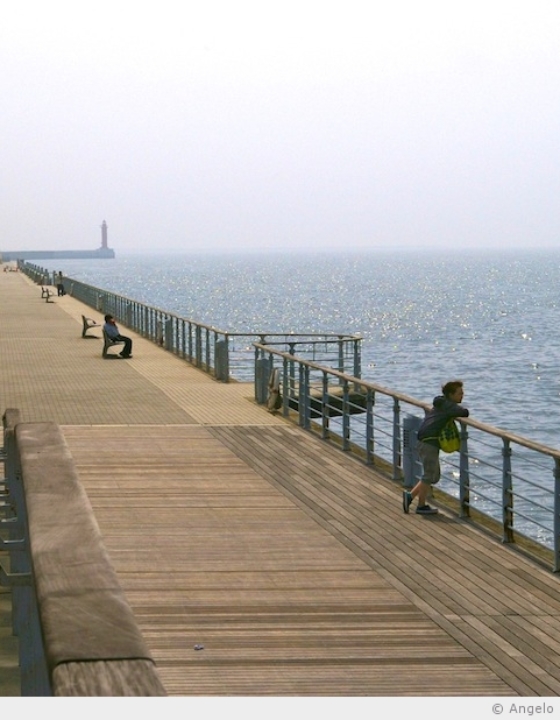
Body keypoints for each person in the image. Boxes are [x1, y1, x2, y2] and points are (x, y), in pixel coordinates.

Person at [403, 379, 469, 516]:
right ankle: (420, 506)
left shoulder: (441, 403)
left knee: (433, 476)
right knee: (429, 475)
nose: (462, 396)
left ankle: (410, 497)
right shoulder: (448, 406)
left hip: (426, 440)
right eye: (459, 393)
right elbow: (464, 412)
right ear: (450, 395)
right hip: (429, 442)